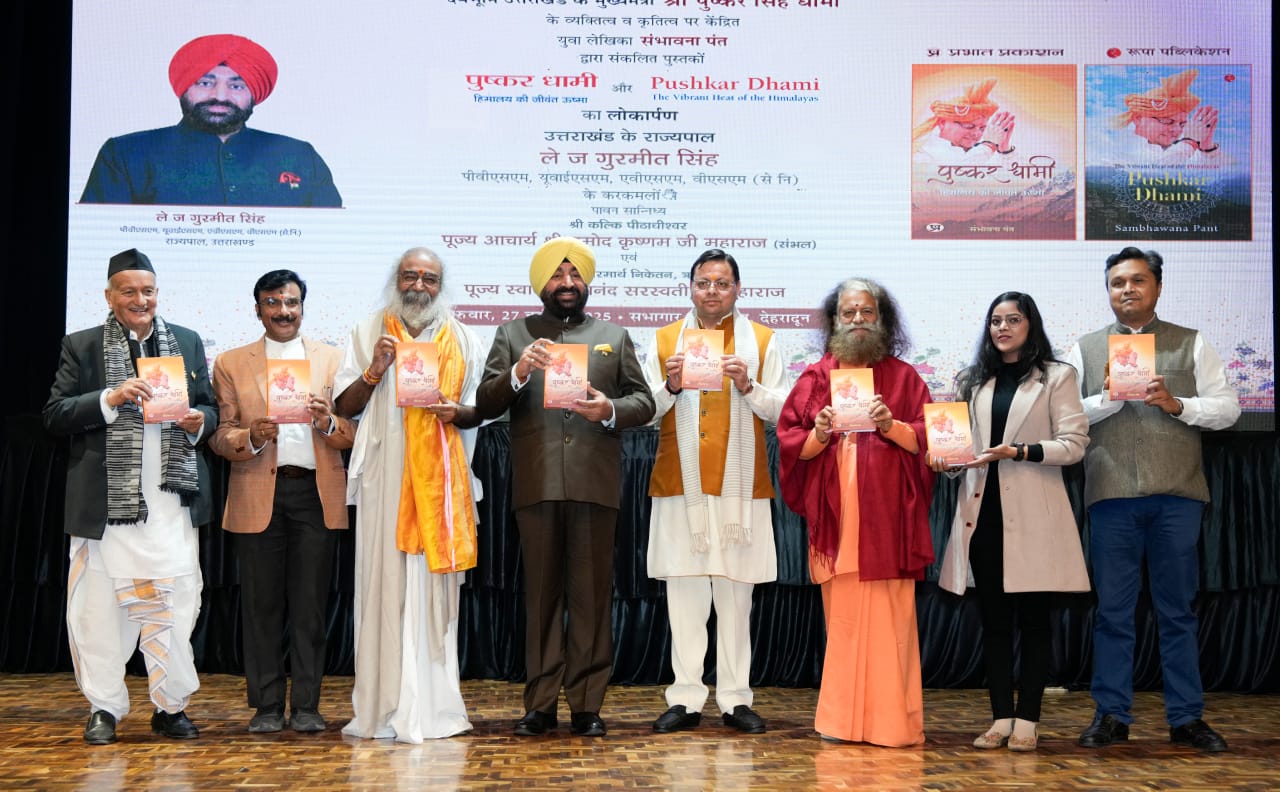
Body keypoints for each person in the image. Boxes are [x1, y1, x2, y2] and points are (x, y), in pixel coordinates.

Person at [475, 236, 655, 738]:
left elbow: (644, 401)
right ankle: (539, 704)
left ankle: (586, 704)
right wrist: (518, 371)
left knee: (591, 599)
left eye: (575, 274)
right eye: (557, 274)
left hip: (594, 484)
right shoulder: (513, 335)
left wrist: (609, 409)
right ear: (541, 283)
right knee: (540, 599)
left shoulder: (614, 336)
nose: (567, 283)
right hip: (536, 484)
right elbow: (486, 403)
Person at [1065, 247, 1239, 752]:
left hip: (1177, 498)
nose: (1128, 290)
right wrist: (1107, 398)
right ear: (1108, 291)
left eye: (1138, 280)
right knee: (1113, 614)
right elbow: (1066, 418)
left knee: (1177, 612)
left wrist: (1176, 403)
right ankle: (1111, 715)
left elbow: (1228, 409)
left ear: (1157, 287)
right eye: (1118, 282)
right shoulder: (1084, 348)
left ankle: (1186, 718)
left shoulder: (1191, 342)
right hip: (1111, 497)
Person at [43, 248, 217, 744]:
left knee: (176, 607)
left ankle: (170, 706)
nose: (141, 300)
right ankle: (104, 707)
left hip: (169, 504)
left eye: (148, 291)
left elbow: (210, 408)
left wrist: (199, 421)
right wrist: (110, 398)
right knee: (98, 613)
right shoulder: (81, 345)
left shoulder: (186, 340)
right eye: (129, 292)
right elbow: (55, 415)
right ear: (109, 296)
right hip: (106, 507)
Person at [333, 247, 487, 743]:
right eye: (410, 276)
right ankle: (382, 708)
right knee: (383, 588)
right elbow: (343, 407)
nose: (419, 286)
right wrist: (375, 369)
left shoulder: (464, 338)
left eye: (429, 278)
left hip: (440, 482)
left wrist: (454, 411)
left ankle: (434, 707)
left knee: (431, 595)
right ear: (395, 279)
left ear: (441, 286)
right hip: (385, 480)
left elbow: (478, 411)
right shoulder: (366, 332)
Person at [776, 278, 934, 747]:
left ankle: (892, 725)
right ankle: (841, 722)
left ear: (882, 319)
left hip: (890, 522)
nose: (858, 320)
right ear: (834, 321)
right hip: (838, 521)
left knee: (892, 625)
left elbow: (929, 439)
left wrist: (892, 426)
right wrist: (821, 432)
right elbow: (791, 445)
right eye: (849, 313)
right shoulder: (815, 378)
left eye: (867, 312)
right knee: (843, 623)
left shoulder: (905, 378)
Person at [932, 292, 1090, 752]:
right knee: (995, 624)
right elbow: (963, 448)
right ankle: (1001, 717)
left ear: (1030, 325)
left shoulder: (1057, 376)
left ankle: (1028, 720)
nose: (1002, 328)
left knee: (1035, 623)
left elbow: (1074, 444)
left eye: (1013, 319)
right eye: (995, 321)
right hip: (982, 515)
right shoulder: (971, 380)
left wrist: (1020, 451)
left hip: (1036, 515)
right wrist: (947, 461)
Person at [643, 249, 786, 735]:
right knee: (684, 597)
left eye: (722, 283)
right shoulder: (665, 339)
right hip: (680, 485)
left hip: (739, 493)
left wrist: (748, 384)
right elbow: (645, 409)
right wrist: (671, 384)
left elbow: (782, 410)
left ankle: (735, 699)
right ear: (690, 287)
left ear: (738, 289)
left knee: (735, 599)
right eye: (704, 282)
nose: (712, 291)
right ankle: (685, 698)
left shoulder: (761, 340)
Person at [208, 270, 355, 734]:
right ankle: (267, 706)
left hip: (316, 494)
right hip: (258, 492)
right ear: (258, 310)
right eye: (273, 303)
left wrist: (327, 423)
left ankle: (308, 705)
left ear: (302, 307)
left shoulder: (334, 359)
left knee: (311, 608)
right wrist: (250, 436)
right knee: (261, 607)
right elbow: (220, 435)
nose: (283, 311)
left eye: (291, 302)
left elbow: (354, 432)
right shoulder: (231, 362)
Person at [80, 34, 342, 206]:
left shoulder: (298, 155)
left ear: (254, 93)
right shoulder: (126, 154)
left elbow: (328, 238)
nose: (220, 96)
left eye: (236, 86)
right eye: (205, 83)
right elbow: (102, 237)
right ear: (184, 87)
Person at [1110, 68, 1221, 164]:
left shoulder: (1179, 146)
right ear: (1138, 118)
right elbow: (1157, 170)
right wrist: (1190, 141)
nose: (1177, 130)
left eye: (1182, 124)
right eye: (1167, 121)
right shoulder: (1119, 144)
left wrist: (1207, 148)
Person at [912, 77, 1016, 164]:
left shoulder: (979, 151)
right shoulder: (924, 153)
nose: (976, 133)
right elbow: (958, 173)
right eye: (968, 126)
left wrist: (1005, 151)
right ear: (942, 123)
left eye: (982, 128)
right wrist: (989, 144)